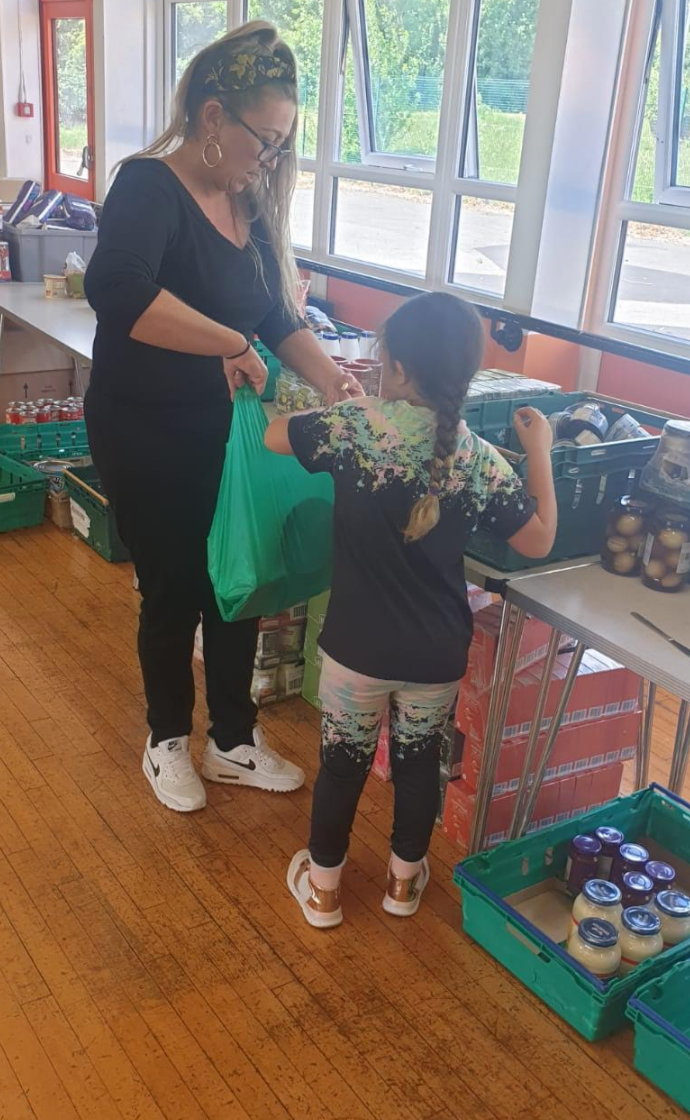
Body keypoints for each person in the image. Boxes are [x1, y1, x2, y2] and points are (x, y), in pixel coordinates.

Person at [84, 22, 361, 814]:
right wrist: (228, 343)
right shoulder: (147, 187)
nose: (269, 159)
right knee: (172, 586)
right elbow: (121, 292)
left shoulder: (251, 201)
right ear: (213, 119)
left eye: (281, 145)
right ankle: (167, 737)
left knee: (240, 582)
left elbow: (278, 315)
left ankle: (232, 739)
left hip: (228, 433)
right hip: (145, 427)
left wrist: (334, 379)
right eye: (263, 139)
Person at [265, 292, 557, 928]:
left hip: (355, 650)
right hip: (435, 653)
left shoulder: (356, 427)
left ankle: (323, 894)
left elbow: (273, 435)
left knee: (342, 766)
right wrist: (540, 451)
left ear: (393, 369)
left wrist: (339, 403)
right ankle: (402, 886)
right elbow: (538, 540)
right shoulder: (478, 457)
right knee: (419, 765)